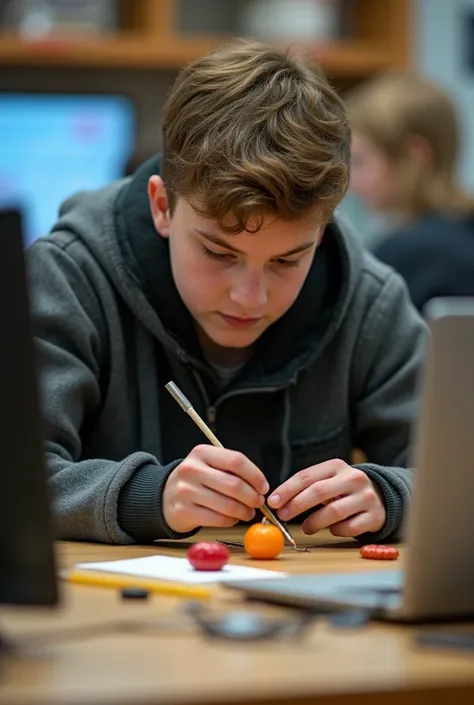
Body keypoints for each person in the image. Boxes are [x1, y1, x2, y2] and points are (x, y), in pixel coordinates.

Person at [27, 40, 426, 547]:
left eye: (286, 260)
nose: (249, 298)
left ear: (322, 230)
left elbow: (457, 477)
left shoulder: (370, 301)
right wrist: (146, 494)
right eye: (219, 253)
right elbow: (18, 474)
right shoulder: (68, 278)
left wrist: (392, 496)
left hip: (310, 621)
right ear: (162, 207)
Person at [346, 71, 474, 313]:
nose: (352, 182)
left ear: (414, 156)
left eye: (360, 161)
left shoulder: (403, 253)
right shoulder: (467, 229)